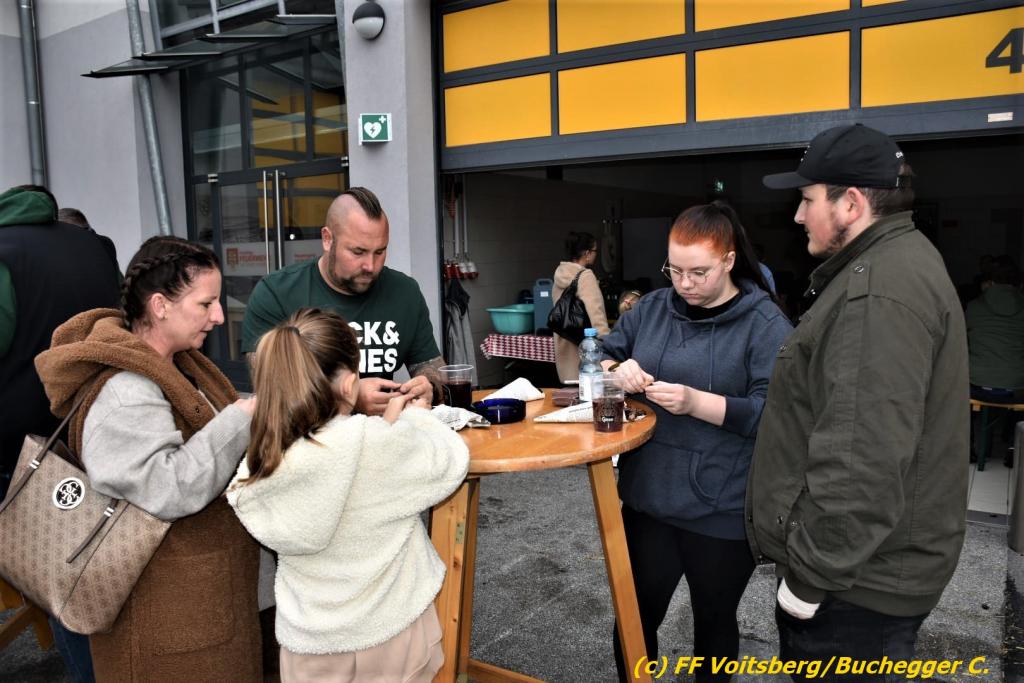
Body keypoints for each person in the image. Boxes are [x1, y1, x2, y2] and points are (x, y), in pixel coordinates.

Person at [749, 123, 969, 681]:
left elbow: (861, 459)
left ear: (850, 203)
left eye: (807, 200)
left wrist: (808, 581)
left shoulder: (878, 293)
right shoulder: (893, 262)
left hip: (855, 591)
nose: (798, 216)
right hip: (867, 576)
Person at [35, 236, 262, 683]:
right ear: (160, 306)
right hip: (163, 627)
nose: (219, 316)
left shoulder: (175, 365)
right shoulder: (126, 391)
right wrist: (241, 418)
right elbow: (166, 489)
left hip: (193, 609)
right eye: (206, 303)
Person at [601, 201, 792, 682]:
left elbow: (774, 415)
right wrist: (616, 371)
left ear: (728, 260)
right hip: (649, 496)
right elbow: (600, 356)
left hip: (722, 504)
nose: (684, 284)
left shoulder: (764, 323)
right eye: (675, 270)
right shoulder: (652, 308)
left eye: (698, 272)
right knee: (635, 615)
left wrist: (695, 403)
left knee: (714, 620)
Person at [228, 308, 469, 682]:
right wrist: (417, 417)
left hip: (308, 647)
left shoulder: (264, 459)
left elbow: (338, 462)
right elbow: (449, 460)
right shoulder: (379, 445)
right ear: (349, 384)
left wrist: (389, 425)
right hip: (392, 631)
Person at [242, 187, 443, 416]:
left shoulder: (404, 292)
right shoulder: (276, 293)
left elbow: (432, 368)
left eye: (380, 252)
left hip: (385, 431)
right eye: (358, 252)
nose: (370, 266)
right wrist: (349, 397)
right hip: (309, 436)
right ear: (328, 239)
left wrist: (428, 386)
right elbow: (269, 392)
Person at [551, 231, 611, 383]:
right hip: (584, 348)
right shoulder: (585, 276)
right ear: (587, 253)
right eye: (595, 250)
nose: (596, 254)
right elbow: (596, 314)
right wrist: (608, 342)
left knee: (571, 390)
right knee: (589, 389)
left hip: (564, 343)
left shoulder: (559, 274)